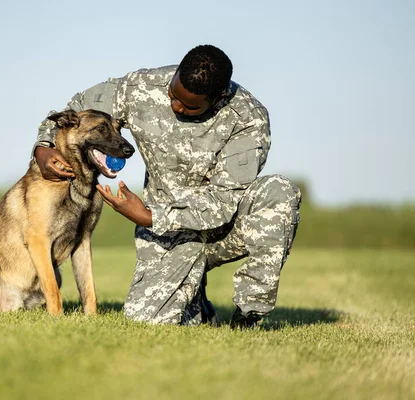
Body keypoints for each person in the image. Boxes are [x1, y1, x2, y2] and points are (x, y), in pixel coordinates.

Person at [33, 45, 302, 329]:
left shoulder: (248, 119)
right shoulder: (141, 87)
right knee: (147, 322)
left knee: (279, 192)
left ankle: (249, 315)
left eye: (190, 106)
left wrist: (149, 216)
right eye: (174, 95)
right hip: (170, 235)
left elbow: (223, 202)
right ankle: (196, 304)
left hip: (223, 227)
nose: (176, 106)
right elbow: (76, 110)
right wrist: (43, 147)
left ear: (219, 97)